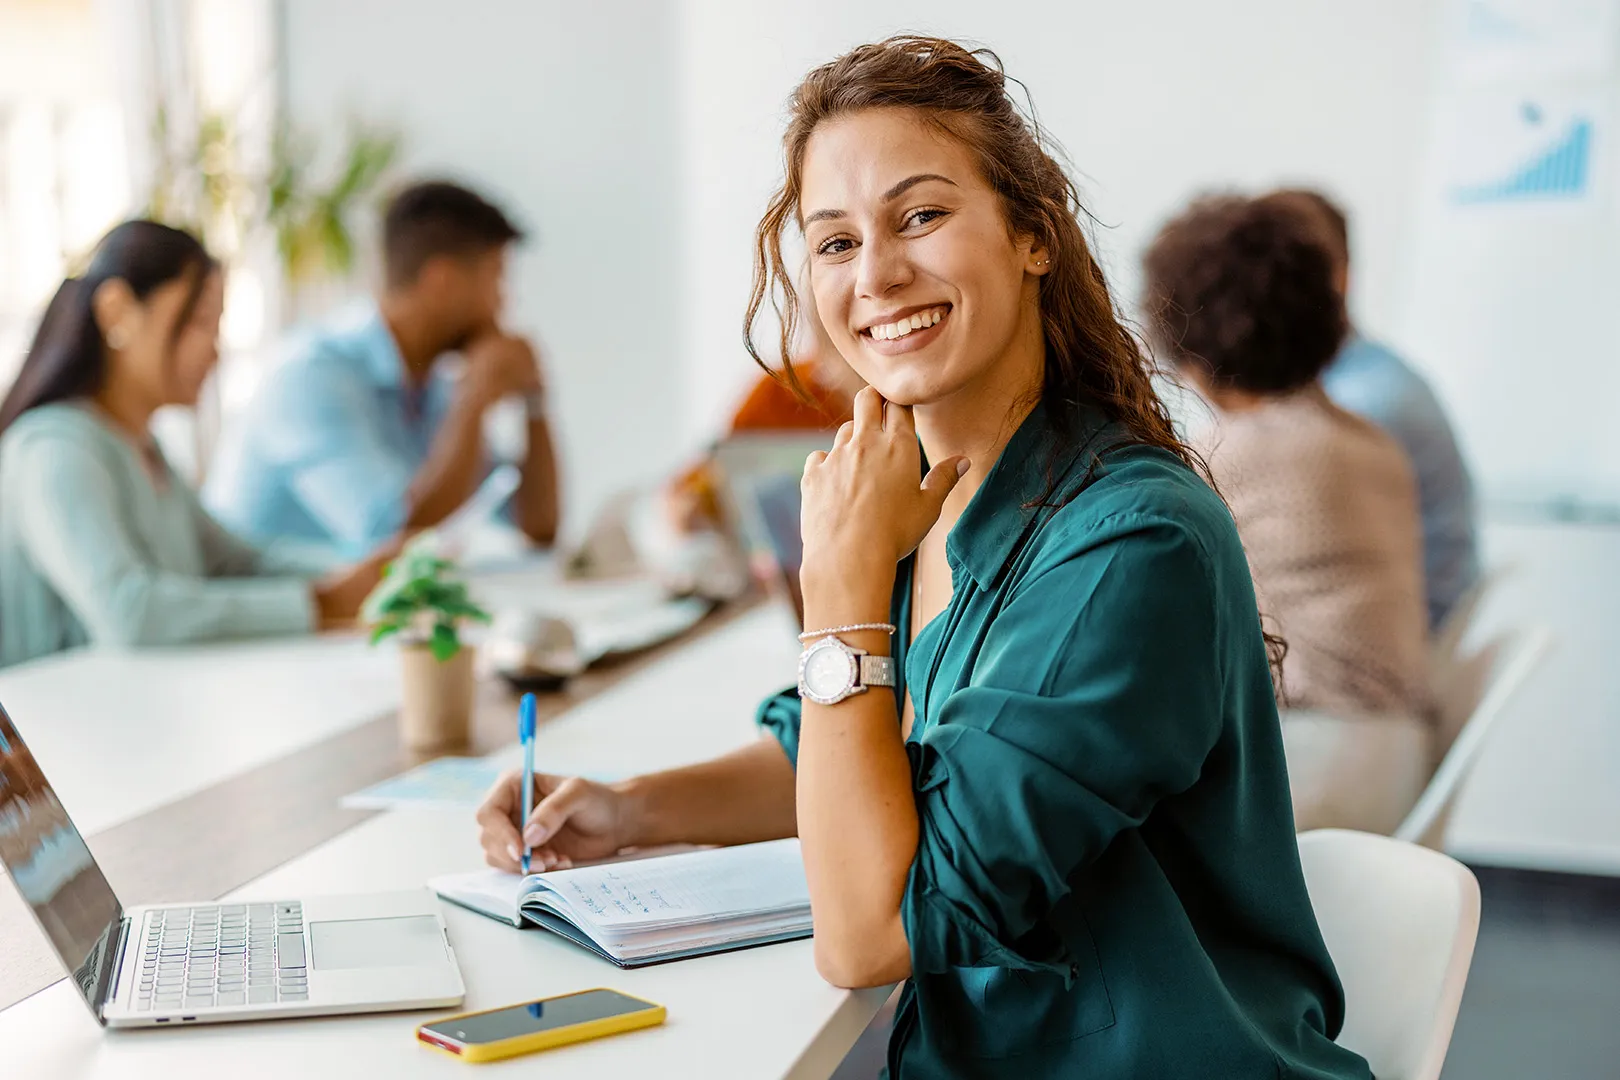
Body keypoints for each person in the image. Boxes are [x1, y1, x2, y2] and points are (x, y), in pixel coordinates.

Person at [476, 37, 1371, 1079]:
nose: (879, 273)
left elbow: (872, 934)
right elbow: (847, 750)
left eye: (922, 216)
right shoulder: (923, 498)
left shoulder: (1133, 542)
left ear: (1032, 234)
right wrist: (632, 809)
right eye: (836, 242)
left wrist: (841, 586)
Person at [1142, 193, 1433, 834]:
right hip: (1392, 761)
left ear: (1187, 349)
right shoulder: (1367, 440)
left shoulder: (1230, 456)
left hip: (1311, 775)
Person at [0, 221, 384, 668]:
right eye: (201, 322)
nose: (215, 352)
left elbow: (239, 561)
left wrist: (363, 569)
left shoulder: (142, 447)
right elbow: (131, 611)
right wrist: (317, 603)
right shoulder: (54, 448)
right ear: (117, 311)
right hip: (63, 732)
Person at [204, 180, 560, 558]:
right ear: (442, 281)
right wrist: (472, 403)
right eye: (496, 278)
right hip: (272, 614)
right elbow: (395, 539)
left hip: (354, 616)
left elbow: (537, 526)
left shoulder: (430, 386)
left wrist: (533, 401)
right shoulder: (312, 377)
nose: (504, 302)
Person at [1270, 188, 1481, 632]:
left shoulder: (1363, 406)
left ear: (1337, 276)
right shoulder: (1354, 382)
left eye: (1284, 271)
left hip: (1400, 641)